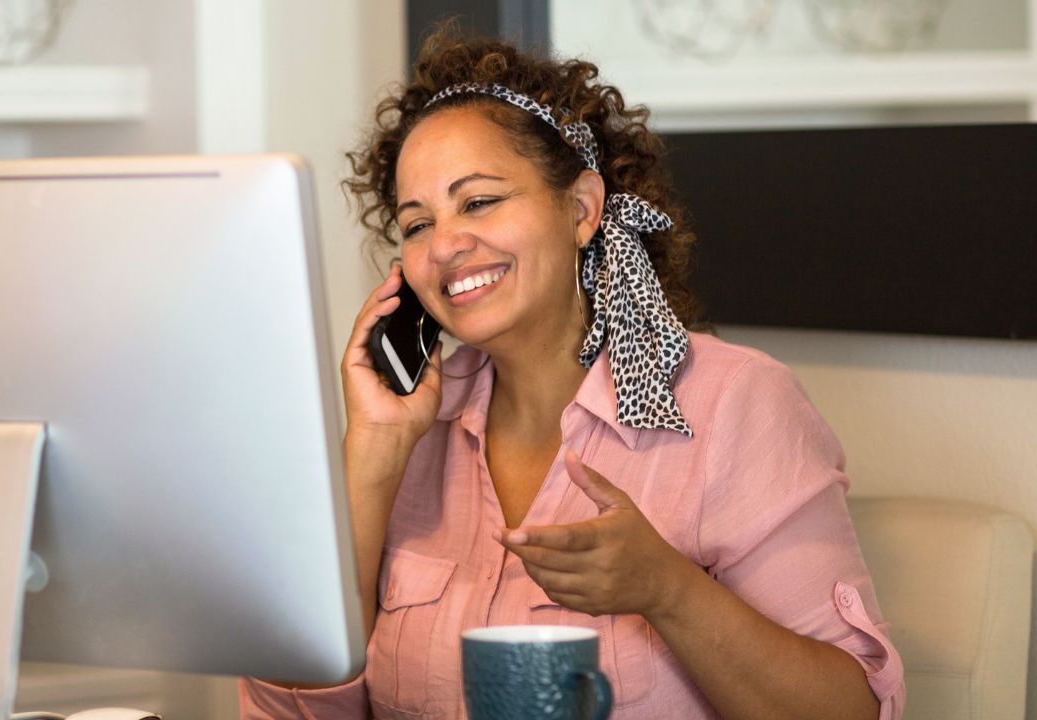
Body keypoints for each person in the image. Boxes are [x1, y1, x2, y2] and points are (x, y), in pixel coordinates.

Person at [241, 28, 905, 720]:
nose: (443, 247)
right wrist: (374, 451)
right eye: (415, 225)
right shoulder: (411, 428)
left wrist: (668, 591)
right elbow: (286, 714)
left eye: (478, 202)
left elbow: (849, 711)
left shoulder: (734, 402)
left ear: (581, 208)